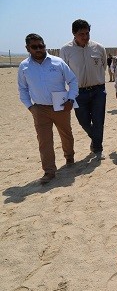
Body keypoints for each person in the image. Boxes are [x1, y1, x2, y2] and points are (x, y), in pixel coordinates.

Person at [18, 33, 78, 184]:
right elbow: (23, 89)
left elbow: (72, 81)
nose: (39, 49)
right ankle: (49, 171)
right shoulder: (24, 66)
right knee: (44, 141)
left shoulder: (58, 62)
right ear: (28, 48)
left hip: (61, 106)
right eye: (34, 47)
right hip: (39, 109)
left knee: (66, 134)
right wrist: (31, 107)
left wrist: (71, 99)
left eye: (41, 46)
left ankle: (69, 157)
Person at [60, 19, 107, 160]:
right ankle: (95, 138)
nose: (85, 37)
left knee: (99, 121)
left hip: (98, 90)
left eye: (87, 33)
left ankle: (98, 148)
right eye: (81, 34)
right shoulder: (66, 50)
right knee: (83, 121)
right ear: (74, 34)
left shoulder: (98, 48)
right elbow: (64, 72)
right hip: (78, 92)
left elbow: (103, 66)